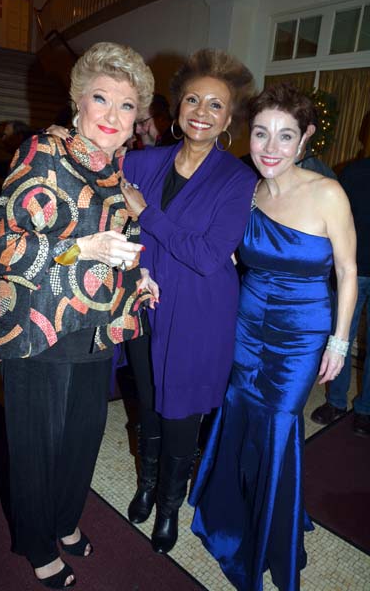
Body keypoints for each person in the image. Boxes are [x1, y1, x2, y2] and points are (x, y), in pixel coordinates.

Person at [0, 41, 158, 589]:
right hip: (38, 323)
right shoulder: (44, 153)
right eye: (101, 99)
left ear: (137, 119)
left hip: (96, 325)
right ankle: (36, 542)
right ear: (78, 103)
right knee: (38, 440)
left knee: (83, 433)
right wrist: (83, 251)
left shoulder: (114, 168)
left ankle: (63, 519)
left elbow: (115, 242)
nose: (111, 115)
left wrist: (138, 276)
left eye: (126, 105)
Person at [189, 83, 357, 591]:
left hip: (301, 333)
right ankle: (230, 512)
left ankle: (270, 533)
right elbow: (233, 257)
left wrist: (339, 341)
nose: (270, 147)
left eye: (285, 136)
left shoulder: (327, 193)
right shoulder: (248, 191)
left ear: (305, 138)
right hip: (246, 324)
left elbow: (349, 272)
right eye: (261, 133)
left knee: (280, 424)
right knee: (237, 413)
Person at [120, 49, 257, 555]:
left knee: (181, 414)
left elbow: (207, 255)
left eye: (215, 105)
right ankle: (144, 485)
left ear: (229, 119)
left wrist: (148, 214)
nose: (201, 110)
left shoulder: (237, 179)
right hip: (143, 303)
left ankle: (170, 506)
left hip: (200, 312)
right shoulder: (140, 161)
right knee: (149, 404)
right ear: (176, 107)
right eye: (193, 99)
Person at [311, 151, 370, 436]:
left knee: (342, 336)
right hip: (352, 271)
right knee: (340, 336)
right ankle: (337, 401)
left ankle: (365, 408)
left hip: (353, 269)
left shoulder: (349, 172)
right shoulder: (351, 173)